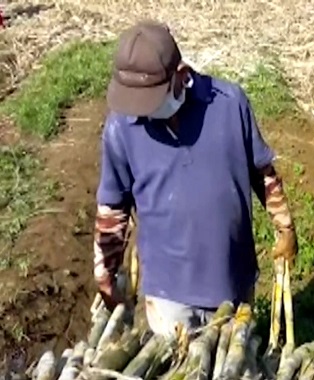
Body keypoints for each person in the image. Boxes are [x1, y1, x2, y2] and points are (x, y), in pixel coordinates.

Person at [93, 20, 298, 336]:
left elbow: (263, 173)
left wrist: (284, 226)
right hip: (167, 294)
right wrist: (105, 277)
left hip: (233, 279)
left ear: (181, 75)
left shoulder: (229, 104)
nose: (143, 112)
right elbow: (113, 210)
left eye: (150, 100)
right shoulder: (121, 127)